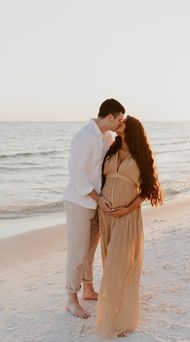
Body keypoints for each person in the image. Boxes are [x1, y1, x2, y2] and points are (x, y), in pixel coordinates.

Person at [96, 116, 163, 338]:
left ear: (131, 129)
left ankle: (122, 318)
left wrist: (126, 210)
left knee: (121, 263)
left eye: (123, 122)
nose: (119, 123)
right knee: (109, 261)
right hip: (105, 215)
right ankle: (113, 307)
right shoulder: (111, 149)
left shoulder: (141, 156)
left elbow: (146, 191)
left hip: (127, 215)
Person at [63, 98, 125, 319]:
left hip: (97, 202)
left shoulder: (107, 136)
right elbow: (76, 172)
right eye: (119, 119)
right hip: (80, 201)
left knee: (89, 251)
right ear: (110, 117)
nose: (120, 123)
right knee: (77, 252)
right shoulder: (84, 136)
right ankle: (71, 298)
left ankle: (88, 289)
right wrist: (98, 199)